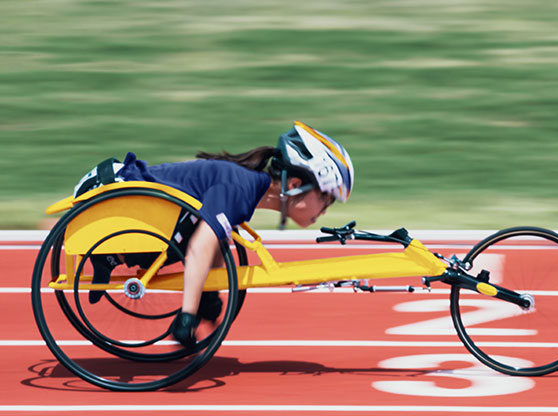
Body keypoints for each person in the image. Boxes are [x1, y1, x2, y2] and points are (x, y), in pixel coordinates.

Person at [74, 121, 354, 349]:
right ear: (294, 184)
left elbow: (218, 237)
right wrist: (187, 315)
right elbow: (201, 246)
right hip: (111, 194)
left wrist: (209, 297)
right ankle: (114, 254)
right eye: (326, 199)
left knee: (200, 228)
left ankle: (113, 256)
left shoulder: (246, 187)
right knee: (190, 234)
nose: (325, 211)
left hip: (121, 194)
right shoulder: (240, 188)